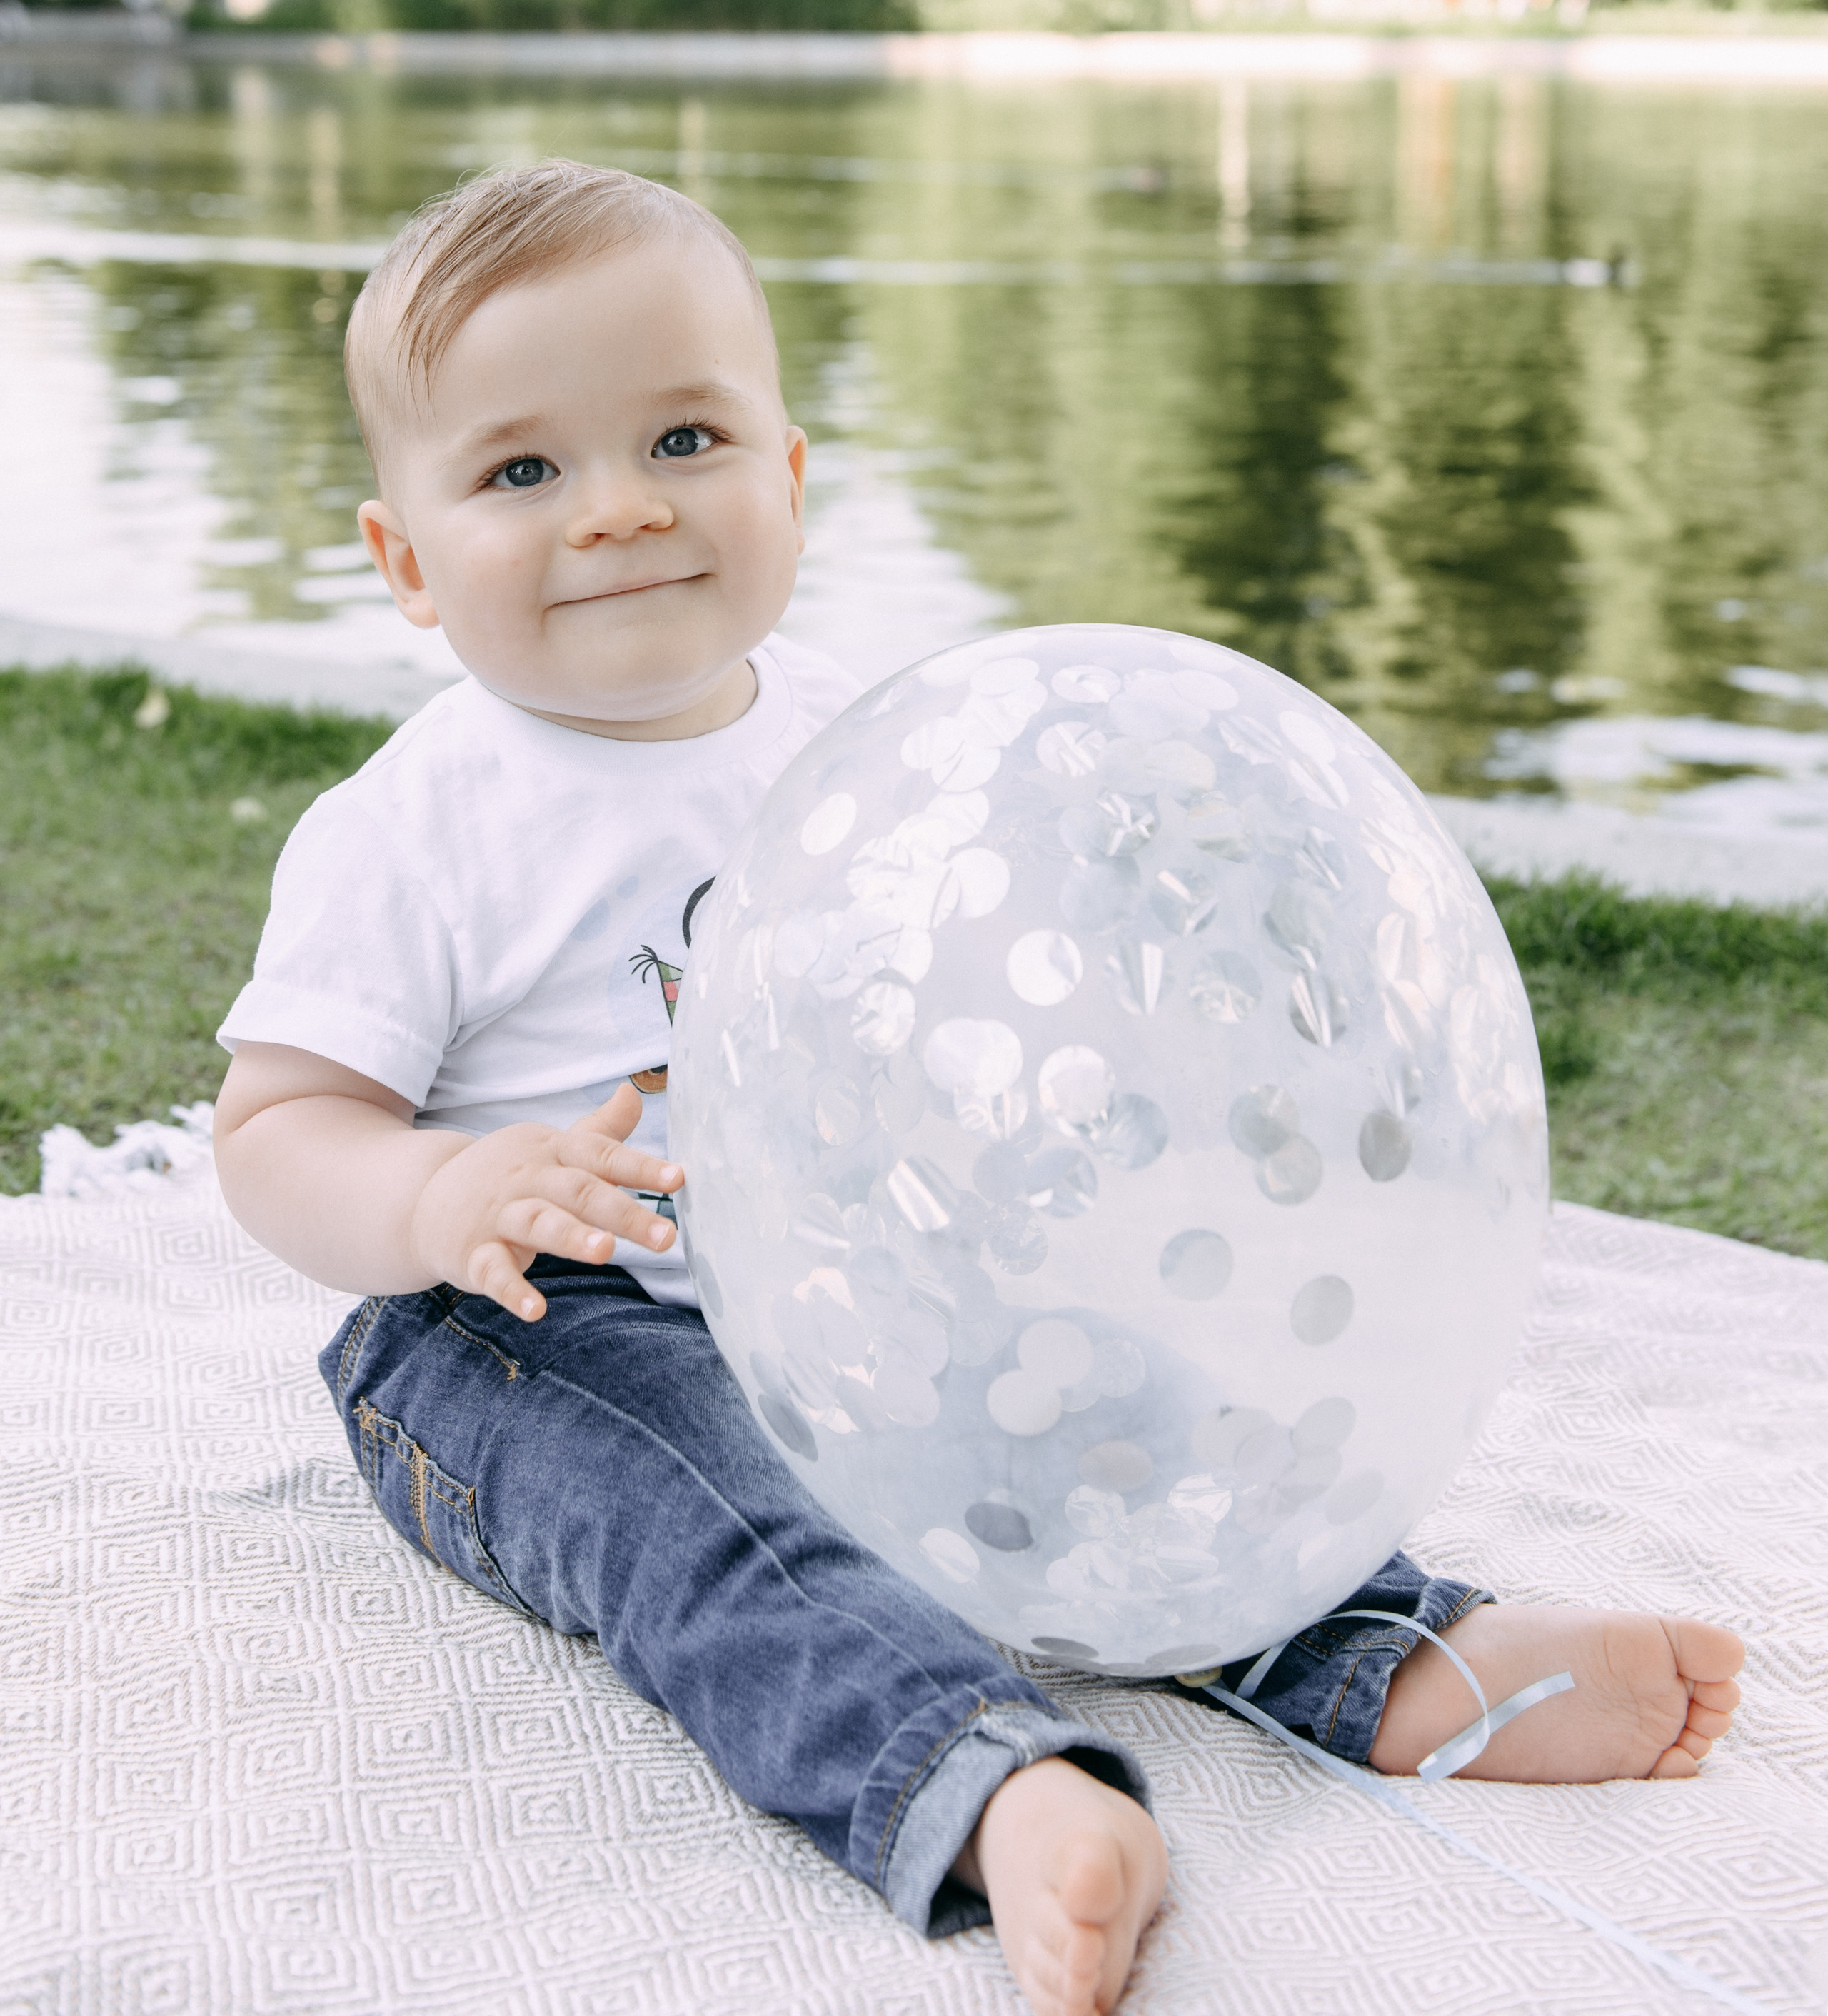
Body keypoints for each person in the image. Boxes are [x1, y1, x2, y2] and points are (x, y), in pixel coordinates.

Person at [213, 162, 1744, 2016]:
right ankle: (986, 1783)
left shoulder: (874, 739)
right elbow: (276, 1129)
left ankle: (1393, 1652)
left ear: (787, 477)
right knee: (712, 1511)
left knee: (1110, 1396)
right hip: (534, 1326)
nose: (618, 510)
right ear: (404, 560)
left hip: (845, 1284)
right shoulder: (423, 823)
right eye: (523, 471)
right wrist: (431, 1202)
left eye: (681, 437)